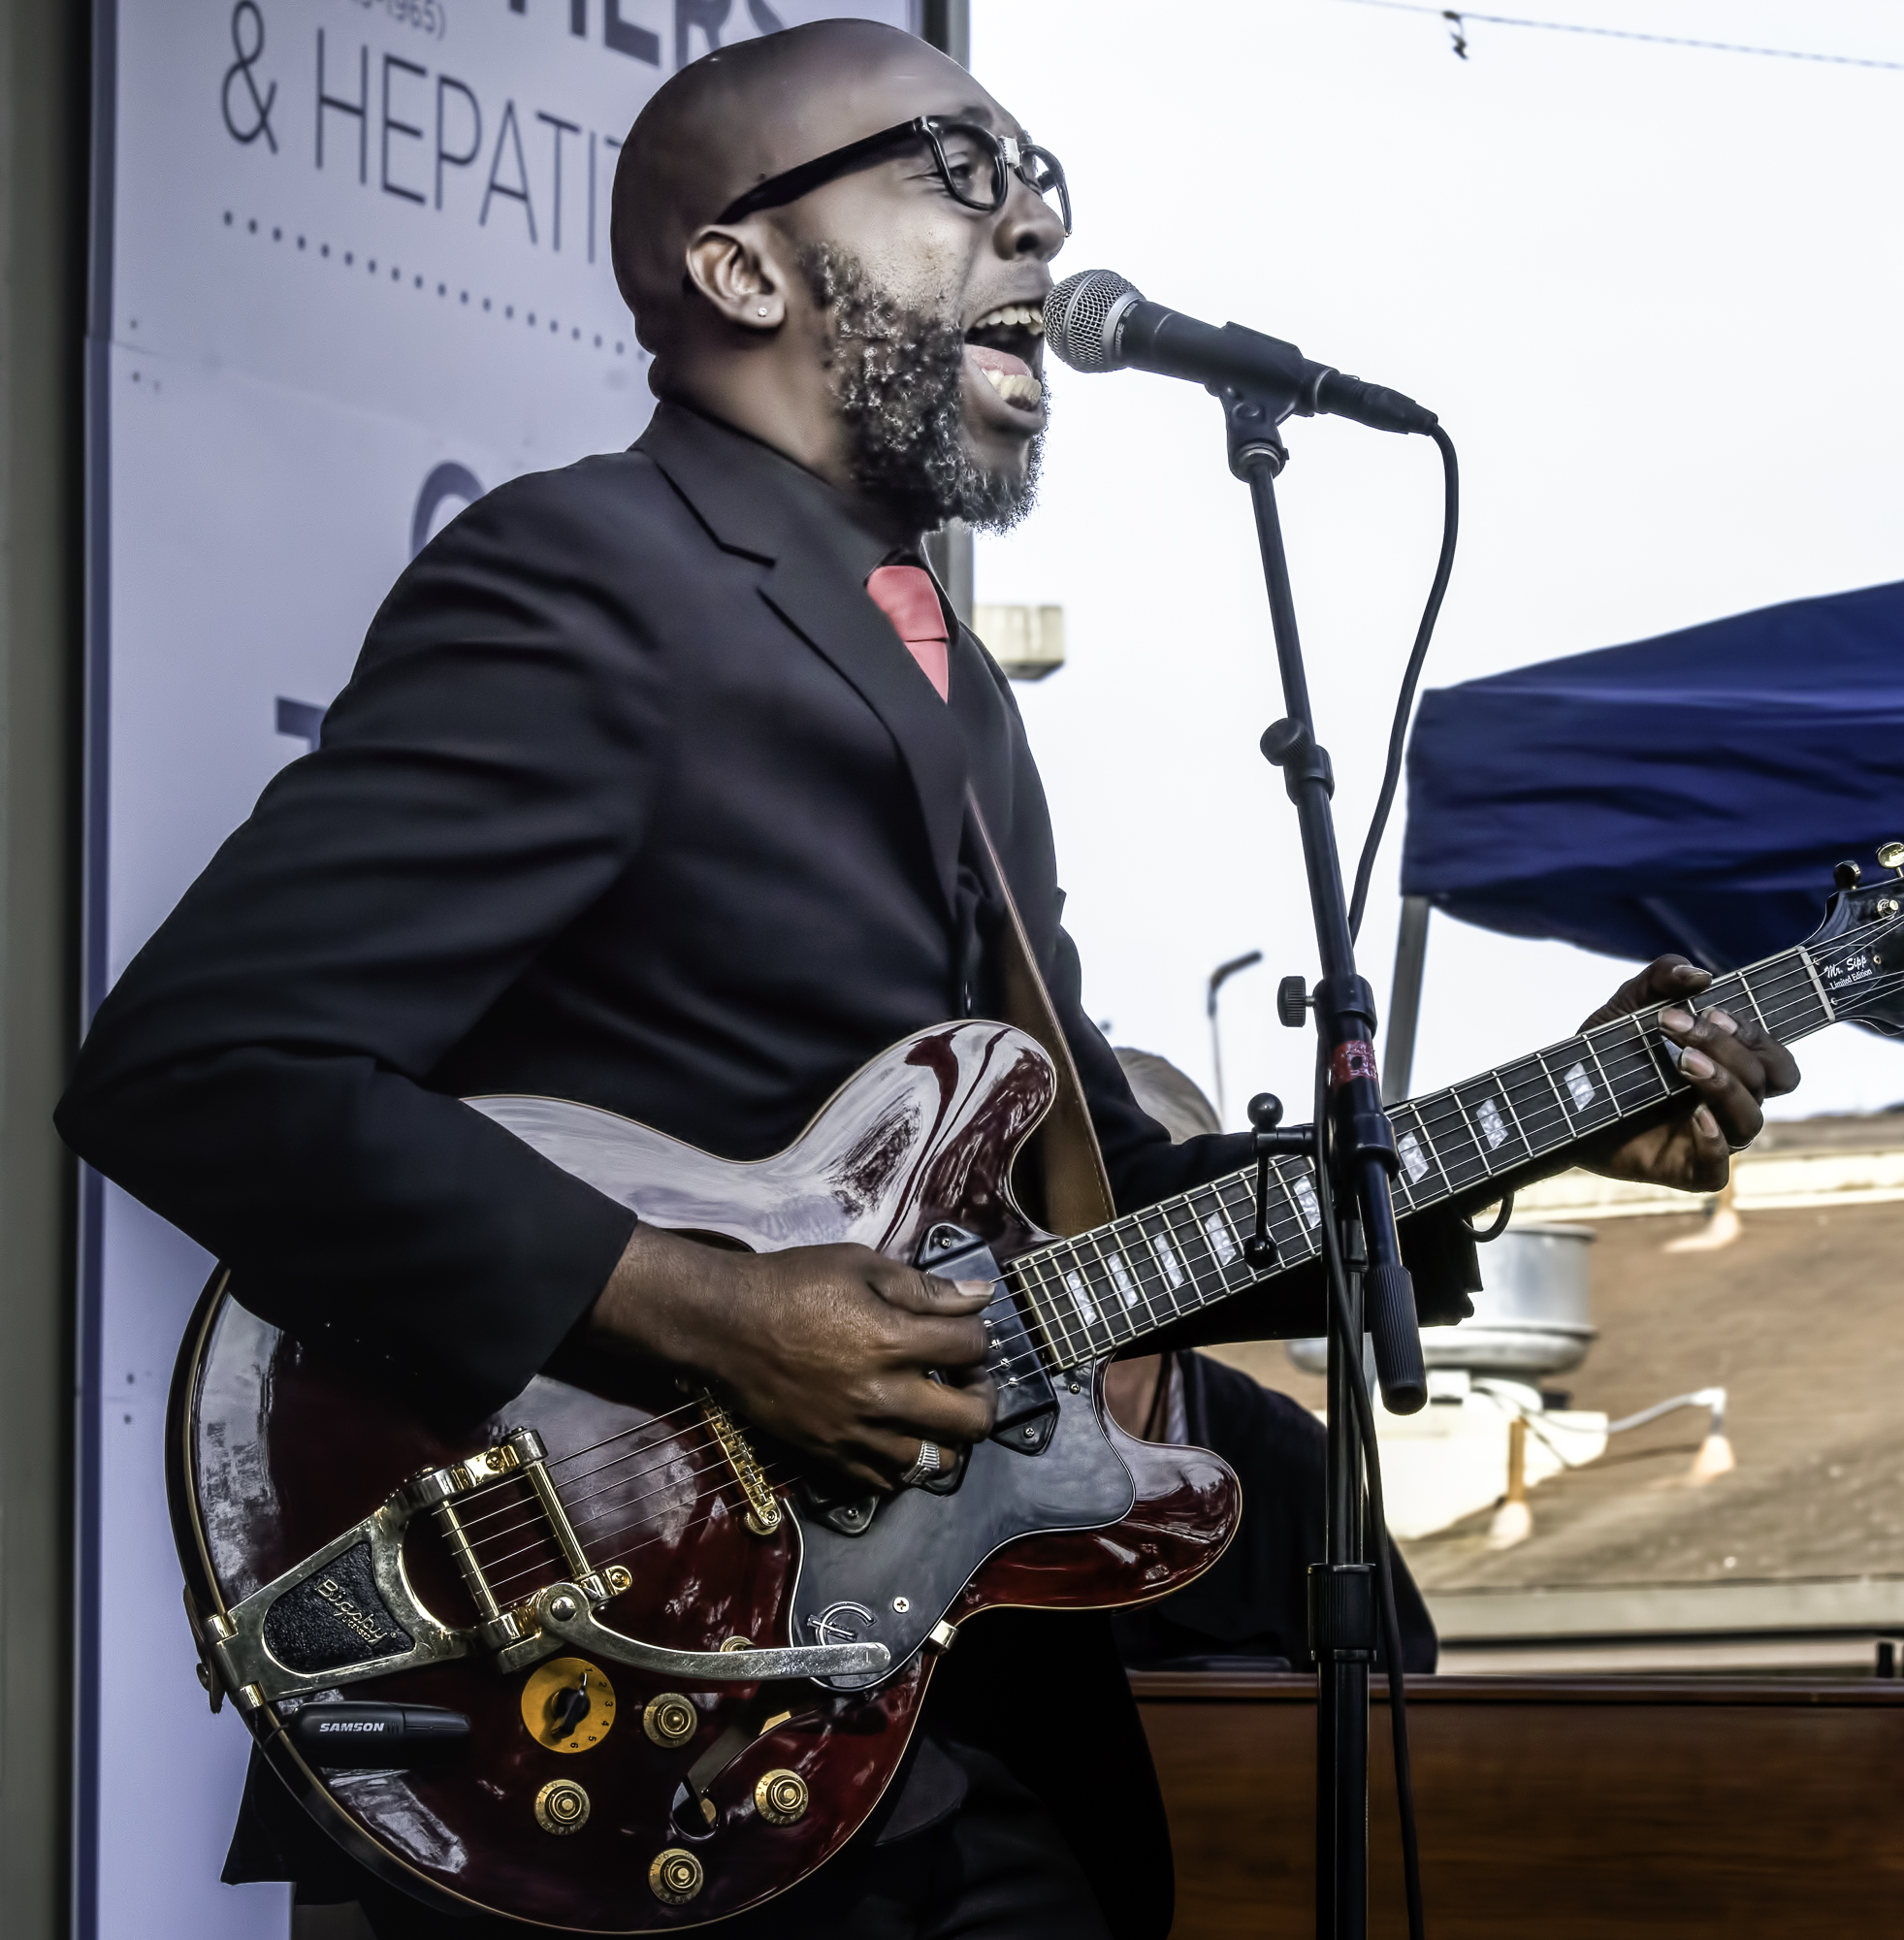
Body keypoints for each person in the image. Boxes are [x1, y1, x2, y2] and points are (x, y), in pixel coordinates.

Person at [55, 19, 1798, 1940]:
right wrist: (708, 1309)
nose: (1034, 228)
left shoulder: (939, 676)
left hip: (917, 1709)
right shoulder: (586, 580)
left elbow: (1104, 1211)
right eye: (954, 173)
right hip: (624, 1674)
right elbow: (199, 1063)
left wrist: (1528, 1125)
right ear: (739, 268)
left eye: (1040, 181)